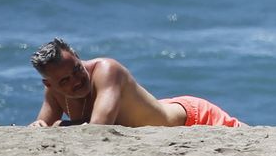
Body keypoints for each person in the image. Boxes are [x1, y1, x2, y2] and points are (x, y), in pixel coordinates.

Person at [29, 38, 244, 127]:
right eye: (65, 80)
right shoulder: (54, 94)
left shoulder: (107, 70)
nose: (76, 80)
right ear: (50, 85)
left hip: (194, 118)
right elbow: (42, 127)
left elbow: (98, 128)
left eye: (77, 69)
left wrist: (59, 126)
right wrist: (43, 126)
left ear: (78, 57)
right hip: (156, 109)